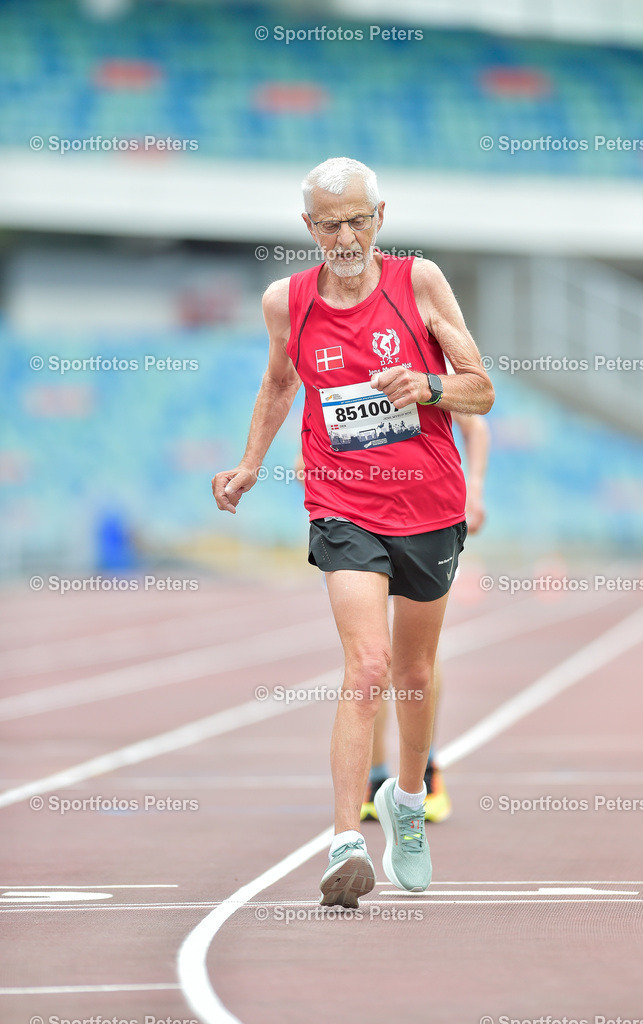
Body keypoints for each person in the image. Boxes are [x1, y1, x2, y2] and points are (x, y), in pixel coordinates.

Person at [212, 156, 494, 909]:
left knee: (412, 673)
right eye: (328, 224)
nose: (344, 236)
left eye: (356, 220)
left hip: (429, 503)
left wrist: (428, 384)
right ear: (307, 229)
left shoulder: (419, 282)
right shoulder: (287, 302)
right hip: (342, 505)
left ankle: (406, 798)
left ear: (380, 219)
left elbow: (481, 390)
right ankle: (344, 840)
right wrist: (247, 466)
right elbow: (278, 384)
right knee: (365, 664)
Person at [361, 411, 490, 824]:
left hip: (426, 519)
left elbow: (476, 424)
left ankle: (426, 771)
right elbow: (305, 457)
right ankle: (376, 778)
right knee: (370, 659)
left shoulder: (427, 354)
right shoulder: (343, 364)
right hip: (361, 522)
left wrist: (475, 491)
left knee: (415, 661)